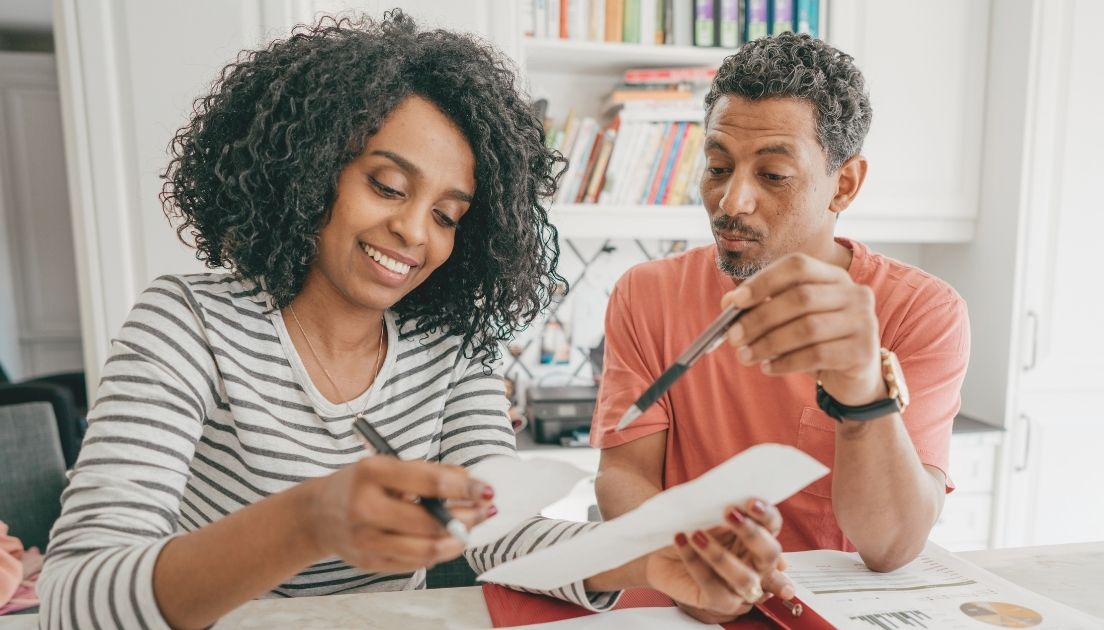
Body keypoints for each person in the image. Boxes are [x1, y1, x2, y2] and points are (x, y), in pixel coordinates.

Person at [37, 12, 793, 629]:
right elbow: (75, 595)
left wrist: (653, 556)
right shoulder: (188, 326)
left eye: (447, 215)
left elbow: (506, 539)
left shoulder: (449, 351)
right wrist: (308, 521)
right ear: (309, 168)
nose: (414, 233)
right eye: (388, 185)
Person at [591, 32, 971, 622]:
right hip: (686, 603)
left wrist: (860, 383)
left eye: (772, 175)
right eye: (718, 166)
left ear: (843, 185)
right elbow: (623, 476)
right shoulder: (647, 294)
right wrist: (693, 557)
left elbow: (891, 545)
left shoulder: (920, 311)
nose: (731, 200)